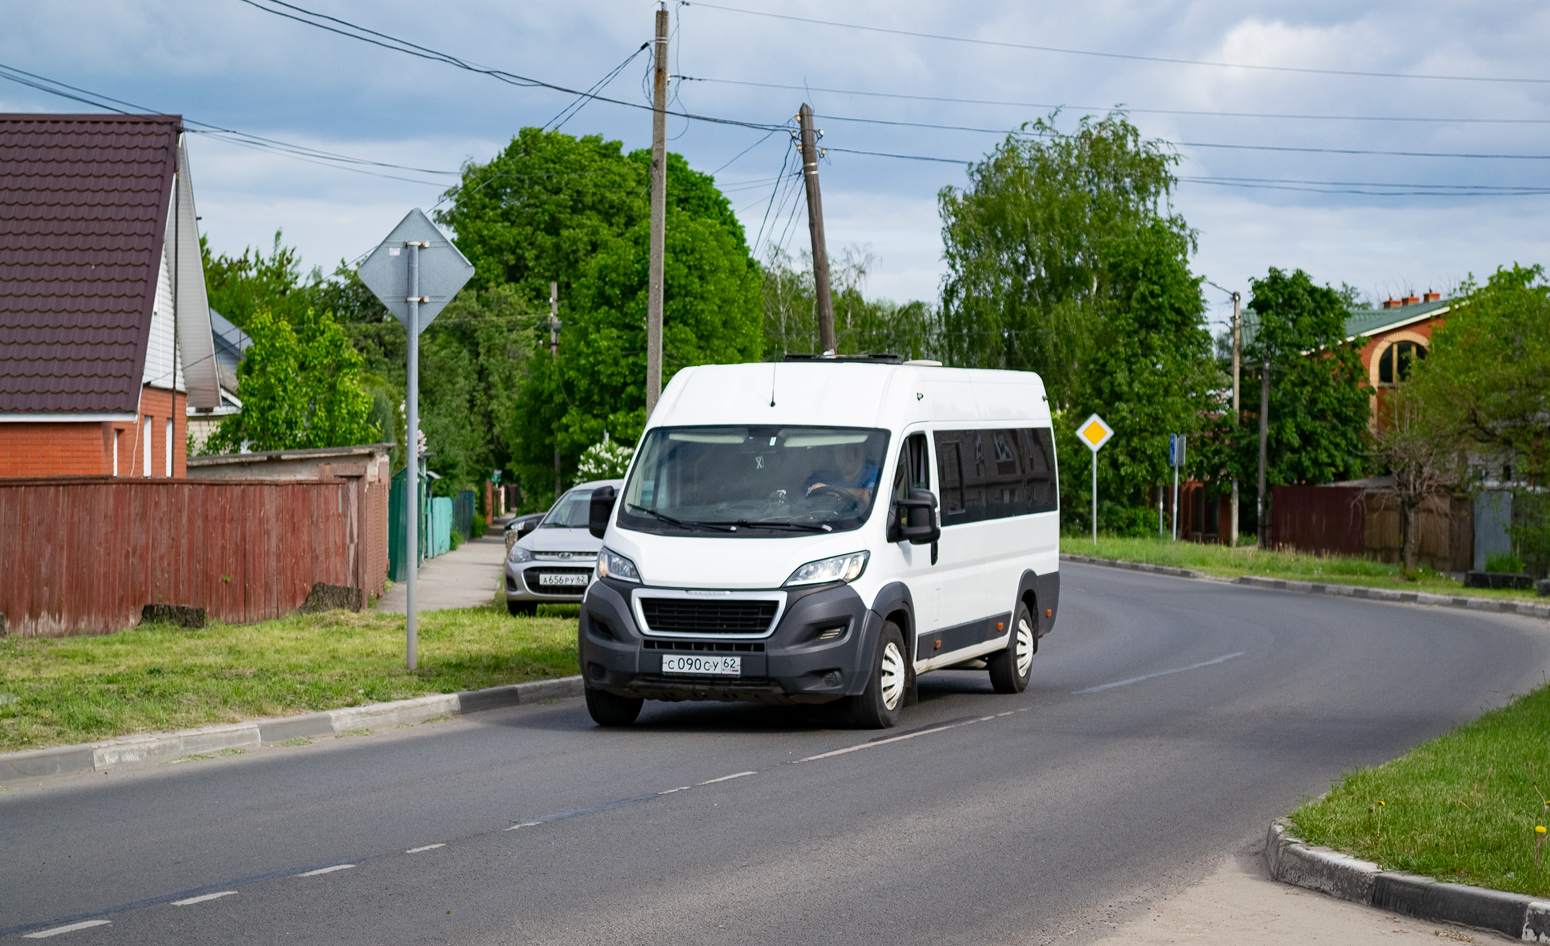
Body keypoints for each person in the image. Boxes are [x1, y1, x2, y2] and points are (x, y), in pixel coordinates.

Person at [805, 441, 879, 507]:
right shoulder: (823, 476)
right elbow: (802, 505)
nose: (849, 455)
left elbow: (871, 498)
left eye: (854, 450)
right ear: (835, 455)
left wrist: (830, 489)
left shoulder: (876, 474)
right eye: (843, 450)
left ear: (864, 452)